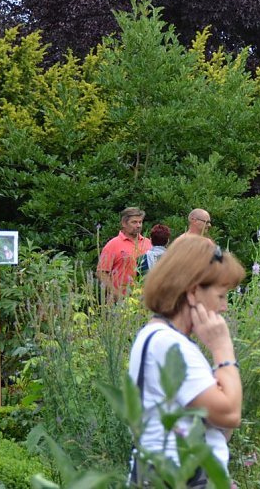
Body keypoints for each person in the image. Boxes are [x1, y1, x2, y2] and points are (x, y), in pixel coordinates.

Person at [128, 235, 245, 484]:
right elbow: (230, 414)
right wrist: (223, 349)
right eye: (221, 296)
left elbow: (219, 427)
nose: (224, 307)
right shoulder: (169, 346)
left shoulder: (161, 338)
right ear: (193, 293)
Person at [98, 207, 153, 300]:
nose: (138, 225)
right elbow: (101, 273)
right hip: (120, 302)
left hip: (144, 301)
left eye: (140, 222)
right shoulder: (113, 244)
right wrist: (116, 294)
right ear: (124, 223)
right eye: (134, 222)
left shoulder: (148, 243)